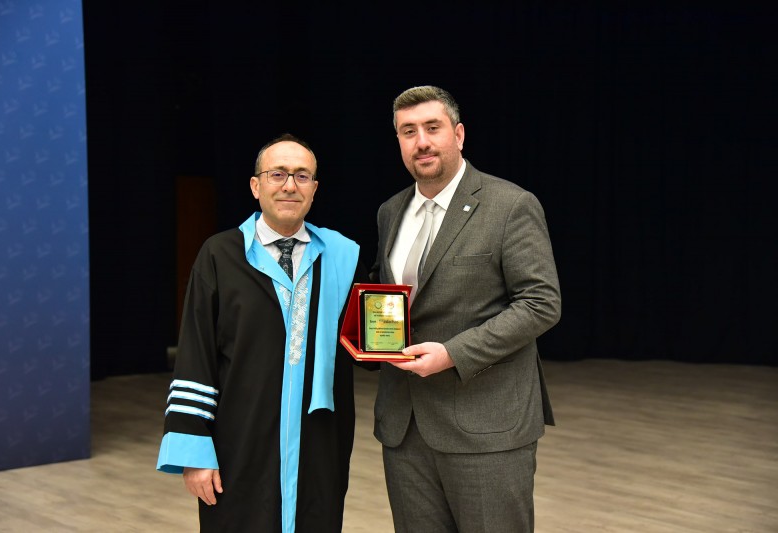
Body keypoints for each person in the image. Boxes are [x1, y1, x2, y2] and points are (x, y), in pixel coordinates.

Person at [370, 85, 562, 532]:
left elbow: (541, 303)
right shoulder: (390, 211)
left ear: (458, 134)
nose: (421, 142)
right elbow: (390, 296)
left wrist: (453, 353)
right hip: (404, 427)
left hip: (486, 426)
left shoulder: (510, 205)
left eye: (432, 128)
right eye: (408, 131)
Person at [157, 133, 362, 532]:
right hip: (240, 440)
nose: (290, 185)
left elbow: (361, 344)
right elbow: (196, 354)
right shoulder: (220, 255)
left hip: (318, 443)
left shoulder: (342, 257)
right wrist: (194, 452)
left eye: (302, 176)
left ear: (314, 188)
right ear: (255, 186)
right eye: (278, 174)